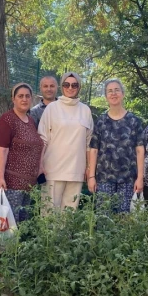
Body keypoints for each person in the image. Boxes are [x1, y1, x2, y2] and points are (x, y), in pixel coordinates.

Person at [37, 72, 93, 211]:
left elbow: (89, 143)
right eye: (66, 84)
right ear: (62, 86)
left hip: (76, 170)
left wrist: (89, 168)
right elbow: (42, 139)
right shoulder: (52, 108)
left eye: (74, 85)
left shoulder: (85, 110)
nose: (70, 87)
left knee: (69, 215)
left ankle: (66, 235)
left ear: (79, 87)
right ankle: (48, 235)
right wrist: (40, 166)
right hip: (53, 169)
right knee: (49, 213)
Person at [87, 79, 145, 213]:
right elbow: (94, 150)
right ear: (106, 96)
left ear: (123, 94)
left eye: (117, 90)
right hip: (104, 179)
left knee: (124, 222)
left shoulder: (134, 121)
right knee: (103, 220)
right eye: (110, 91)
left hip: (128, 179)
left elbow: (140, 150)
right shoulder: (101, 121)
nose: (113, 94)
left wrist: (140, 178)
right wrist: (91, 177)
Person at [0, 83, 44, 223]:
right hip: (12, 183)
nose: (24, 99)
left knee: (22, 227)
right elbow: (2, 151)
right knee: (8, 226)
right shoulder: (7, 120)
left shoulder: (30, 121)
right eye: (20, 96)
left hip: (28, 185)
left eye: (27, 96)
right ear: (13, 99)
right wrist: (1, 177)